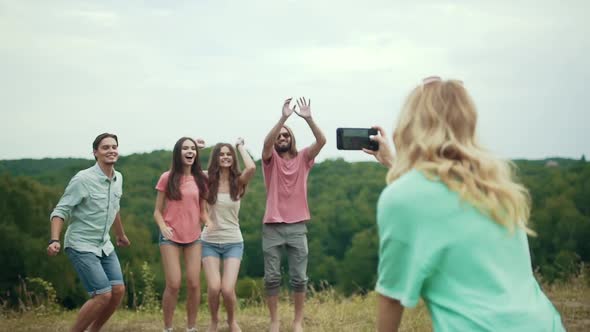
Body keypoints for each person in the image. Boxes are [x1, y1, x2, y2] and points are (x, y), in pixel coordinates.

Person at [365, 76, 566, 331]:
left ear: (410, 124)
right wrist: (394, 163)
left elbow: (392, 296)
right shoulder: (497, 187)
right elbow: (442, 196)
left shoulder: (401, 197)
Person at [47, 133, 131, 332]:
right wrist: (54, 239)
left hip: (104, 245)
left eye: (114, 146)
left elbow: (114, 207)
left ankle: (94, 330)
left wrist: (120, 234)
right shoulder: (83, 179)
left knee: (118, 290)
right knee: (103, 295)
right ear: (95, 152)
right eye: (105, 147)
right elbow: (60, 211)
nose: (111, 150)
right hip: (81, 244)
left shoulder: (118, 178)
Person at [261, 97, 326, 332]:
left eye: (286, 135)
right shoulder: (270, 160)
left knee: (299, 278)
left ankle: (298, 321)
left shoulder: (304, 159)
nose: (281, 139)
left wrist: (308, 118)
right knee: (272, 278)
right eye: (279, 136)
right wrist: (283, 119)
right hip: (272, 226)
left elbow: (322, 140)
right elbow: (266, 144)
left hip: (298, 226)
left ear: (292, 139)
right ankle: (275, 321)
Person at [154, 137, 209, 332]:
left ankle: (191, 327)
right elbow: (157, 211)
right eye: (185, 148)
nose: (189, 152)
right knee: (174, 283)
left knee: (194, 284)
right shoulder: (167, 177)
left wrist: (210, 224)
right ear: (178, 153)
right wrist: (162, 226)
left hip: (194, 237)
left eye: (192, 149)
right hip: (170, 236)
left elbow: (203, 211)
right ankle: (167, 328)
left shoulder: (201, 179)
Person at [201, 138, 256, 332]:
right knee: (214, 287)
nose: (225, 157)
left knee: (227, 288)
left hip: (233, 242)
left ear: (233, 158)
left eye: (228, 154)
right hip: (209, 242)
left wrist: (240, 146)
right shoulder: (208, 179)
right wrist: (197, 149)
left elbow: (251, 168)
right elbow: (188, 170)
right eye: (221, 154)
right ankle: (214, 321)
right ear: (215, 159)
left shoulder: (238, 181)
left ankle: (232, 321)